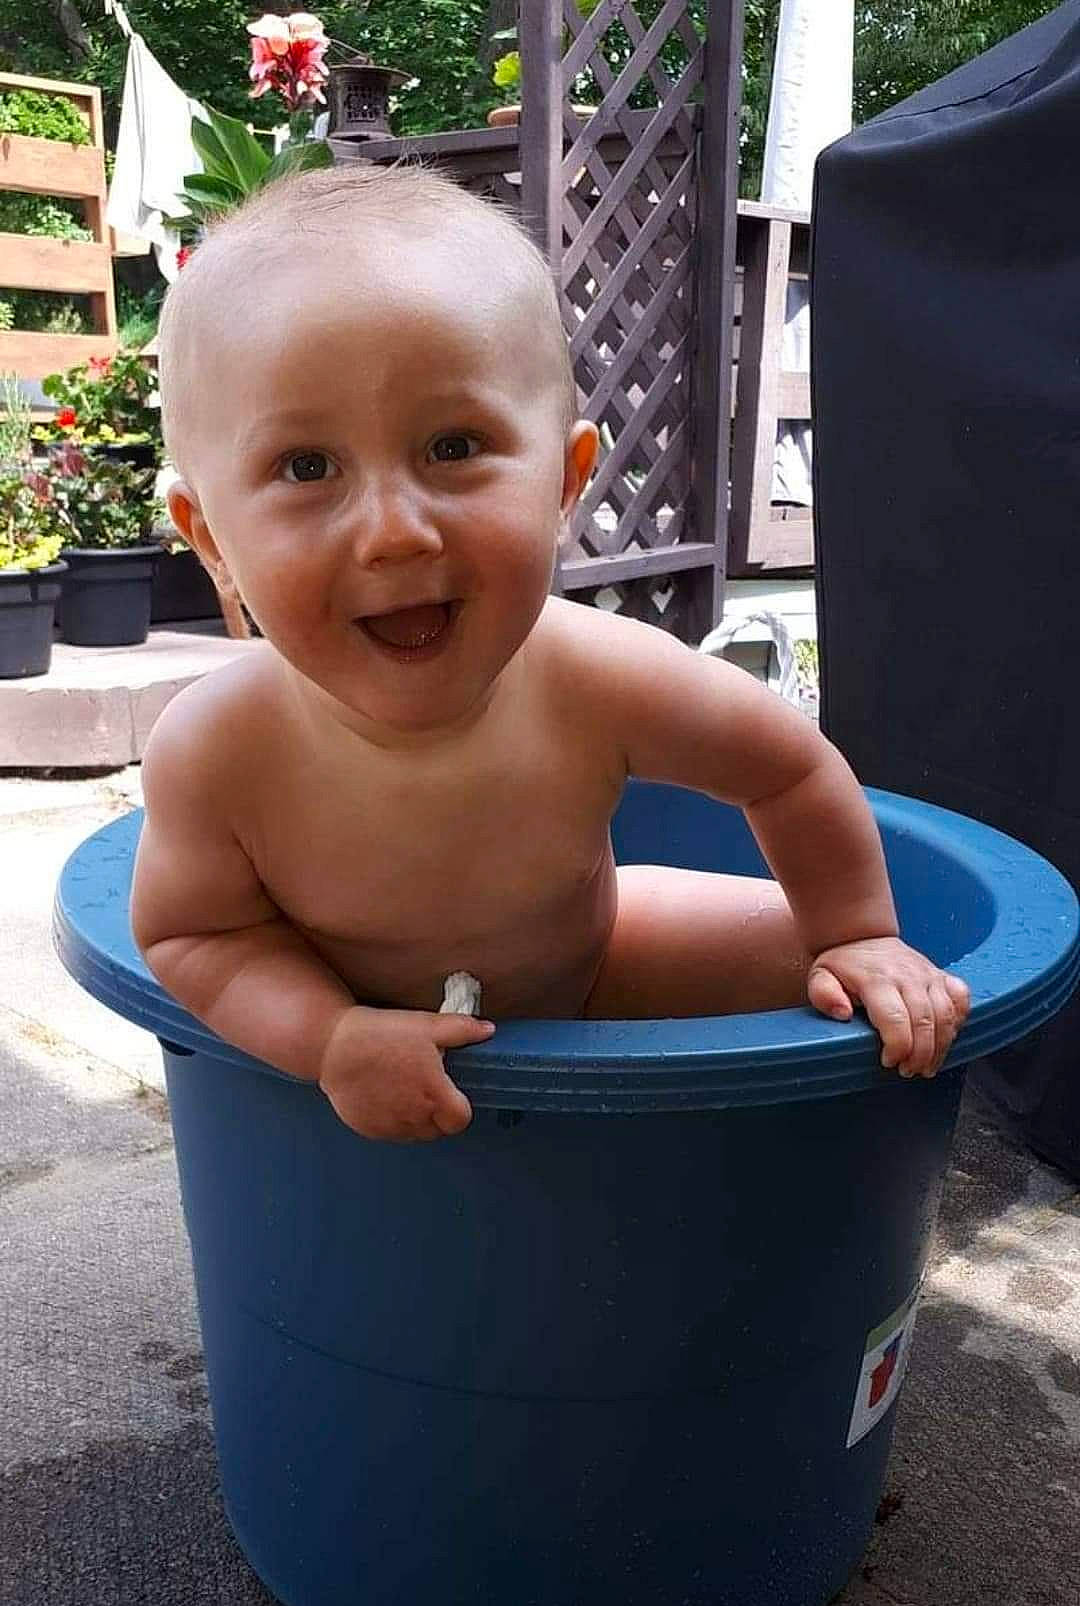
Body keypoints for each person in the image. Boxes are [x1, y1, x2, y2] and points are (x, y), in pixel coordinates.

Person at [132, 164, 970, 1143]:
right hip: (348, 1011)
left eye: (453, 447)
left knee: (859, 972)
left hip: (599, 962)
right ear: (214, 541)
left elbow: (786, 769)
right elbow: (197, 936)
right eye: (306, 467)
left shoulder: (598, 678)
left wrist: (853, 932)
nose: (394, 532)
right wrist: (328, 1038)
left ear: (564, 483)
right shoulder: (220, 752)